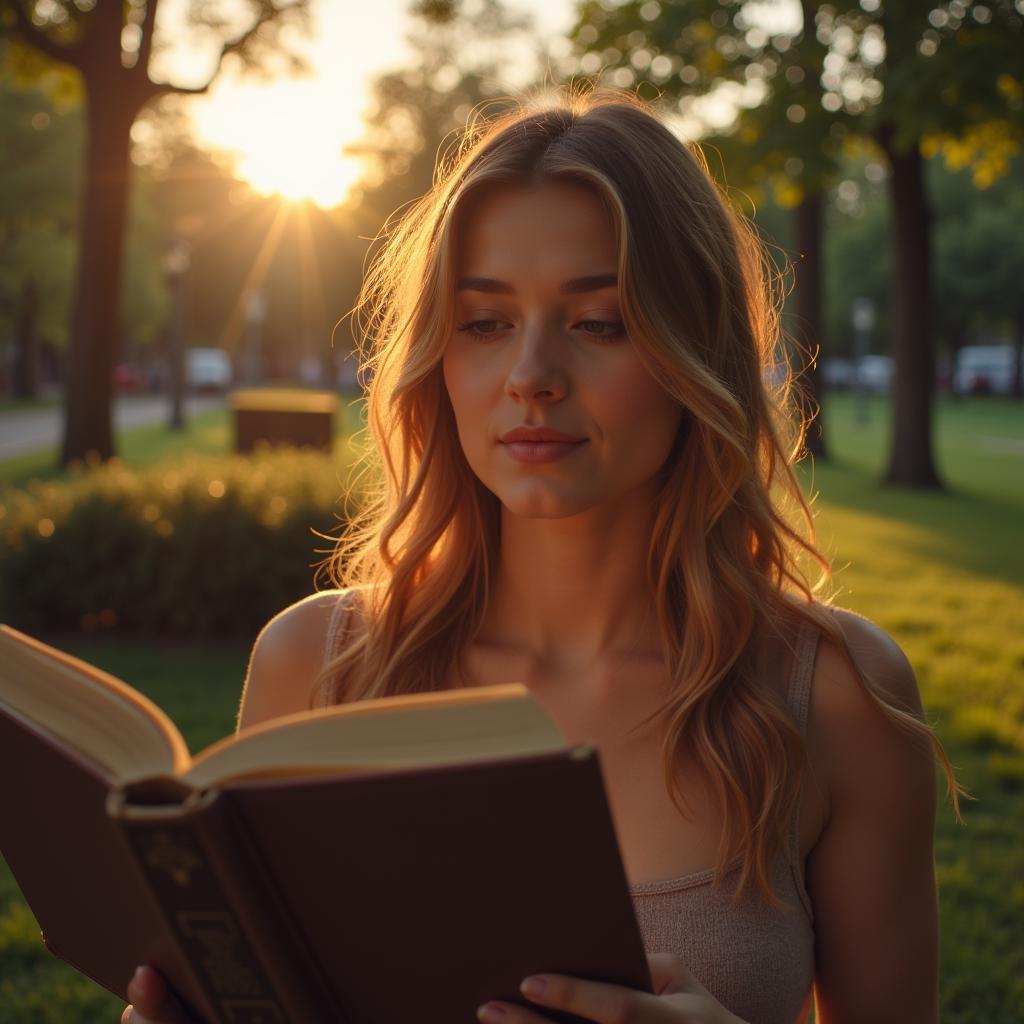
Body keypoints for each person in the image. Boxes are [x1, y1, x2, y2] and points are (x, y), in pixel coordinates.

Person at [120, 85, 964, 1024]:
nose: (530, 378)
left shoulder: (834, 697)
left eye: (598, 322)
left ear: (697, 355)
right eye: (485, 323)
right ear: (438, 357)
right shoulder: (316, 667)